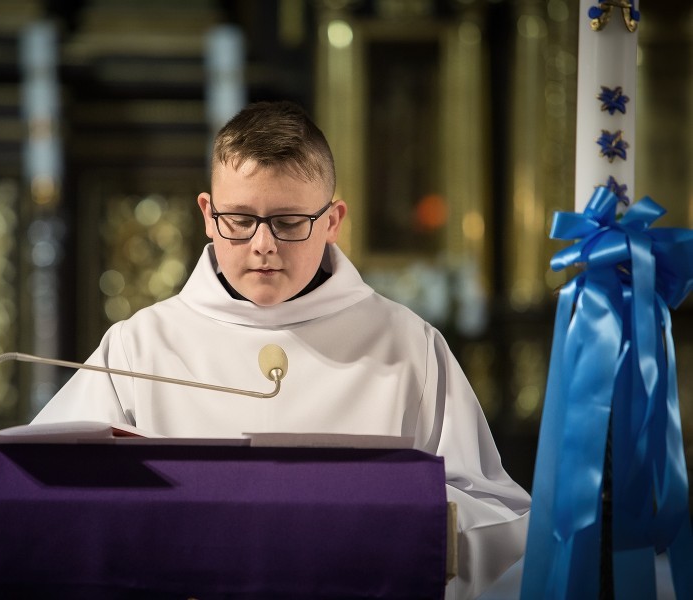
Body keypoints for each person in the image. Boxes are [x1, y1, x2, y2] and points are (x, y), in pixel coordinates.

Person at [31, 100, 531, 599]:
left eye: (289, 222)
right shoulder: (140, 346)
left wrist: (385, 524)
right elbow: (45, 494)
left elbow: (496, 521)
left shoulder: (405, 344)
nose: (263, 244)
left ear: (332, 221)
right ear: (208, 214)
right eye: (239, 219)